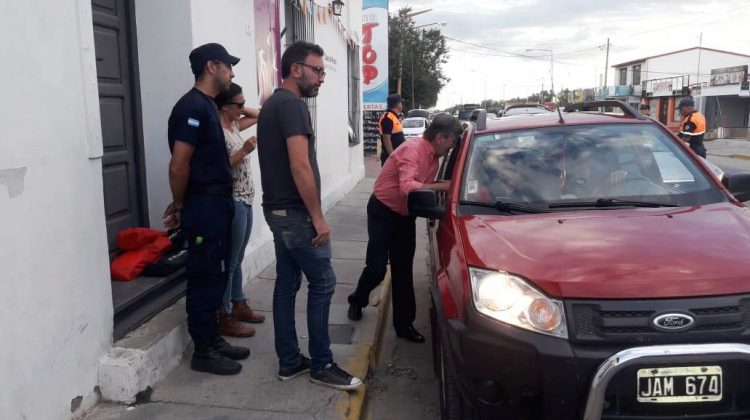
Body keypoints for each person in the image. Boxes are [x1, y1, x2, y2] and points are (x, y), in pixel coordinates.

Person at [256, 41, 362, 391]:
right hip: (296, 214)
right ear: (296, 69)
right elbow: (300, 165)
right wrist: (318, 218)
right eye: (317, 70)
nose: (322, 78)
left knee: (287, 284)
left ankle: (290, 361)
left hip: (277, 210)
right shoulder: (292, 106)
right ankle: (322, 364)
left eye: (324, 72)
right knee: (324, 282)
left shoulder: (273, 104)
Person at [163, 43, 250, 375]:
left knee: (215, 275)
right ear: (212, 66)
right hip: (203, 205)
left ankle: (213, 340)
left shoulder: (208, 106)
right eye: (229, 66)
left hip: (217, 203)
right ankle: (203, 350)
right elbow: (178, 166)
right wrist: (181, 205)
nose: (232, 72)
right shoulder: (191, 108)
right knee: (202, 278)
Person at [347, 114, 463, 343]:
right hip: (382, 211)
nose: (452, 147)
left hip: (404, 216)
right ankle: (357, 300)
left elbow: (420, 193)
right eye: (452, 141)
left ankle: (404, 325)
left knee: (403, 270)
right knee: (377, 267)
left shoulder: (434, 158)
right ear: (440, 137)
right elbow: (408, 187)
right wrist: (442, 186)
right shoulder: (413, 150)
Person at [214, 82, 266, 338]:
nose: (243, 109)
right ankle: (224, 313)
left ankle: (238, 302)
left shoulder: (232, 125)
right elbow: (221, 166)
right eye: (239, 105)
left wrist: (242, 107)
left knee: (238, 257)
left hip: (245, 198)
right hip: (232, 199)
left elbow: (260, 115)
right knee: (230, 261)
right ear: (224, 105)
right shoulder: (217, 131)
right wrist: (244, 150)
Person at [378, 94, 406, 166]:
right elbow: (386, 138)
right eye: (401, 103)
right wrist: (392, 156)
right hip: (391, 158)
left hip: (398, 156)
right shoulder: (388, 118)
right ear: (398, 104)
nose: (402, 105)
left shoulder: (393, 117)